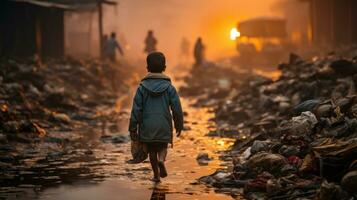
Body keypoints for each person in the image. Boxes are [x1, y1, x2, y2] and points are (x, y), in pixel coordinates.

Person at [129, 52, 184, 183]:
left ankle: (156, 175)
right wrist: (179, 124)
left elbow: (136, 109)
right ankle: (162, 160)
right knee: (162, 146)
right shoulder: (169, 88)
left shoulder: (142, 88)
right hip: (163, 124)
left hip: (147, 126)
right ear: (164, 67)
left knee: (151, 150)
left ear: (147, 68)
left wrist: (132, 127)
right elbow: (177, 108)